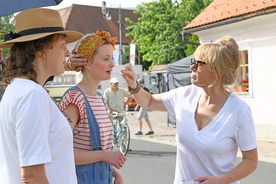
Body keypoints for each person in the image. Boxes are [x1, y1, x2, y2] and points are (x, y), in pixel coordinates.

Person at [121, 36, 258, 184]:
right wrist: (134, 85)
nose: (191, 67)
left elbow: (251, 160)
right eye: (192, 62)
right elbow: (149, 101)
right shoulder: (184, 95)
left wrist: (220, 180)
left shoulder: (239, 111)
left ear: (219, 70)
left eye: (198, 64)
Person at [0, 8, 83, 184]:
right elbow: (31, 175)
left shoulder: (19, 89)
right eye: (62, 45)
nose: (67, 53)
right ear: (41, 50)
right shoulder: (32, 94)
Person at [58, 30, 126, 184]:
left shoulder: (99, 98)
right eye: (106, 59)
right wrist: (104, 156)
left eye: (112, 58)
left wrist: (116, 174)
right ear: (87, 63)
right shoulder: (75, 99)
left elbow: (94, 151)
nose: (112, 64)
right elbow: (60, 151)